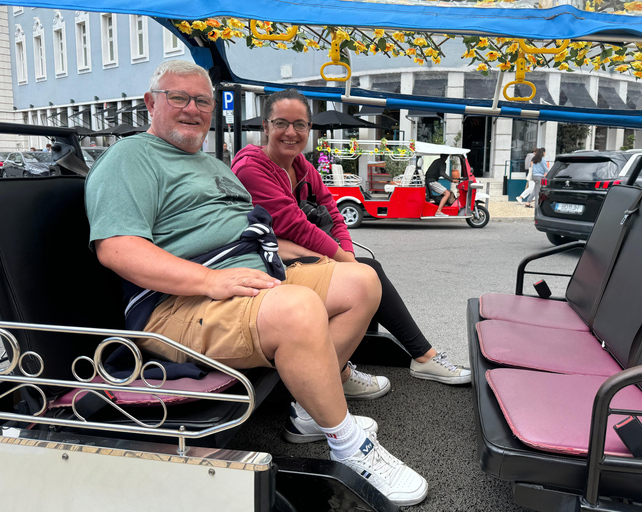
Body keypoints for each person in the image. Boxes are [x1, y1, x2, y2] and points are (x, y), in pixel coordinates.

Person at [84, 61, 428, 506]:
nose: (192, 108)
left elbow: (253, 232)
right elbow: (119, 249)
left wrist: (316, 258)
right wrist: (209, 280)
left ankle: (310, 412)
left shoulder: (212, 165)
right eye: (178, 98)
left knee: (362, 281)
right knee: (298, 307)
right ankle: (348, 445)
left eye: (202, 100)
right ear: (152, 103)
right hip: (178, 304)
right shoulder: (131, 157)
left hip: (250, 274)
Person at [231, 89, 471, 386]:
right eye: (281, 123)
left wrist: (347, 255)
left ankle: (354, 367)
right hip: (267, 265)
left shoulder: (303, 168)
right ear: (265, 127)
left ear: (309, 128)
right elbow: (293, 225)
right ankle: (403, 361)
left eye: (300, 124)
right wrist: (346, 261)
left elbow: (333, 213)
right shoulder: (252, 166)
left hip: (299, 258)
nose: (291, 132)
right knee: (366, 272)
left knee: (365, 268)